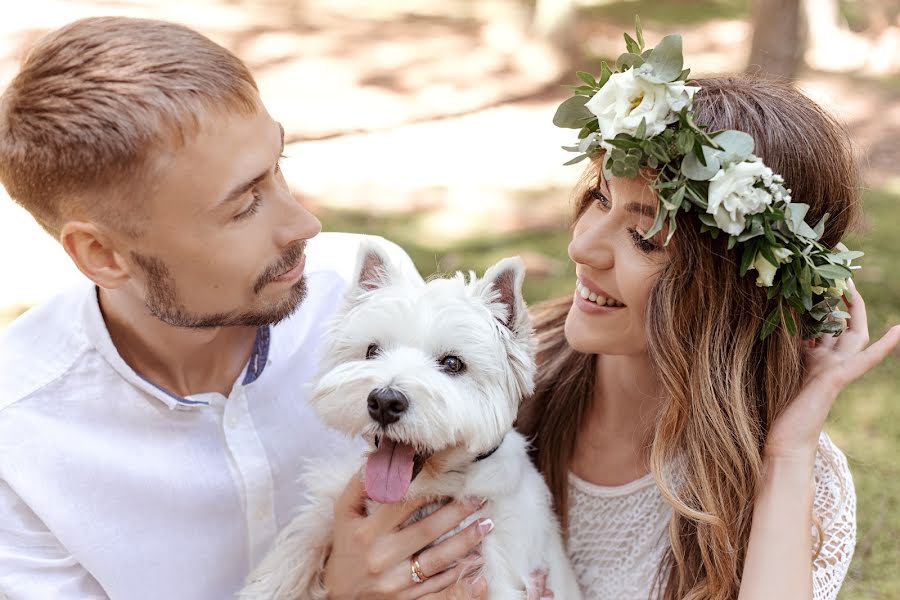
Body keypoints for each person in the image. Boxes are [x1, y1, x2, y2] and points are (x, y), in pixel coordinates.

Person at [0, 17, 498, 599]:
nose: (303, 224)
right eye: (243, 207)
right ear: (103, 254)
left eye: (278, 167)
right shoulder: (21, 439)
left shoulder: (361, 296)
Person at [517, 32, 900, 600]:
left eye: (646, 236)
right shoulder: (501, 370)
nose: (583, 248)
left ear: (730, 284)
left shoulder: (787, 475)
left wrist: (787, 452)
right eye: (601, 197)